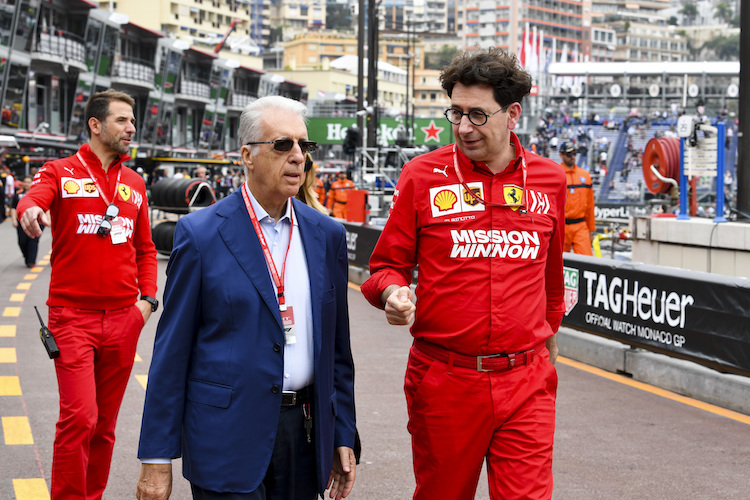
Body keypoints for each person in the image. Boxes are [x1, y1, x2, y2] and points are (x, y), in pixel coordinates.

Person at [360, 47, 566, 500]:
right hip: (446, 381)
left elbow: (553, 278)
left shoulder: (550, 179)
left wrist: (548, 340)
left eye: (477, 114)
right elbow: (384, 268)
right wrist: (393, 293)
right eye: (456, 113)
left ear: (512, 113)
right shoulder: (421, 176)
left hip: (527, 380)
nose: (464, 127)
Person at [136, 95, 356, 500]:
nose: (297, 157)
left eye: (304, 147)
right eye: (282, 145)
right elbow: (171, 353)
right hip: (225, 439)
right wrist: (155, 457)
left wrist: (343, 432)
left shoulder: (328, 235)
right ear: (247, 156)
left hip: (305, 437)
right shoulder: (200, 235)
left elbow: (337, 352)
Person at [16, 89, 158, 499]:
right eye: (122, 120)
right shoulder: (60, 170)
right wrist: (29, 209)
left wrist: (146, 303)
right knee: (79, 417)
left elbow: (146, 250)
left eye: (133, 121)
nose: (131, 128)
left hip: (123, 321)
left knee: (105, 426)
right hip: (71, 318)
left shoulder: (135, 183)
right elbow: (35, 196)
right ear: (96, 125)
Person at [559, 141, 595, 256]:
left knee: (587, 261)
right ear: (562, 155)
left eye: (574, 153)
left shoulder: (585, 175)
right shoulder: (556, 174)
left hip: (580, 226)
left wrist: (591, 229)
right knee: (559, 263)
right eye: (569, 154)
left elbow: (590, 205)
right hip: (561, 227)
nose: (572, 157)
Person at [10, 175, 42, 267]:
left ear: (33, 183)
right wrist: (13, 220)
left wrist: (47, 218)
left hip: (35, 221)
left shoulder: (38, 193)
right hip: (21, 221)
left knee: (33, 240)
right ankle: (27, 256)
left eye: (29, 182)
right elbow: (13, 208)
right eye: (25, 182)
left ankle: (31, 261)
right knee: (22, 241)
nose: (26, 184)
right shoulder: (18, 194)